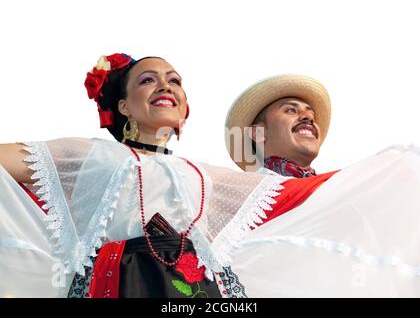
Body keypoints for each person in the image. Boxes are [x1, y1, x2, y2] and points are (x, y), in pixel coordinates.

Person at [0, 53, 293, 298]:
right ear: (124, 106)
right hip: (118, 282)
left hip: (193, 290)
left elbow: (296, 196)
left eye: (174, 81)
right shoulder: (88, 154)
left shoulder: (205, 175)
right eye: (148, 80)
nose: (165, 86)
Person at [223, 75, 420, 297]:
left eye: (311, 114)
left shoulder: (344, 198)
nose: (308, 117)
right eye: (290, 110)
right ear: (257, 133)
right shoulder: (236, 199)